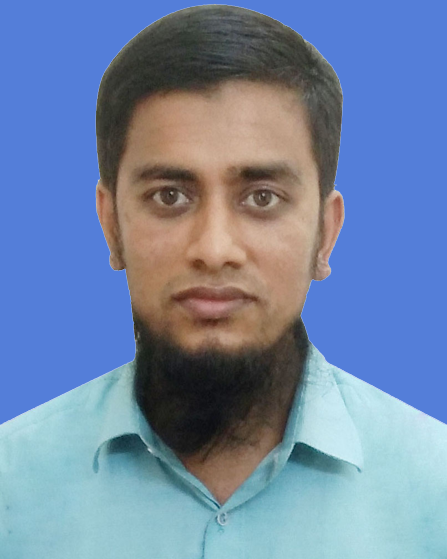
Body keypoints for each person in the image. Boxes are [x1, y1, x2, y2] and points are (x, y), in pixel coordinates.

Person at [1, 5, 446, 557]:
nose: (214, 250)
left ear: (325, 234)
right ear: (111, 224)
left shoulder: (435, 490)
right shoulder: (11, 487)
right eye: (170, 196)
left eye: (262, 197)